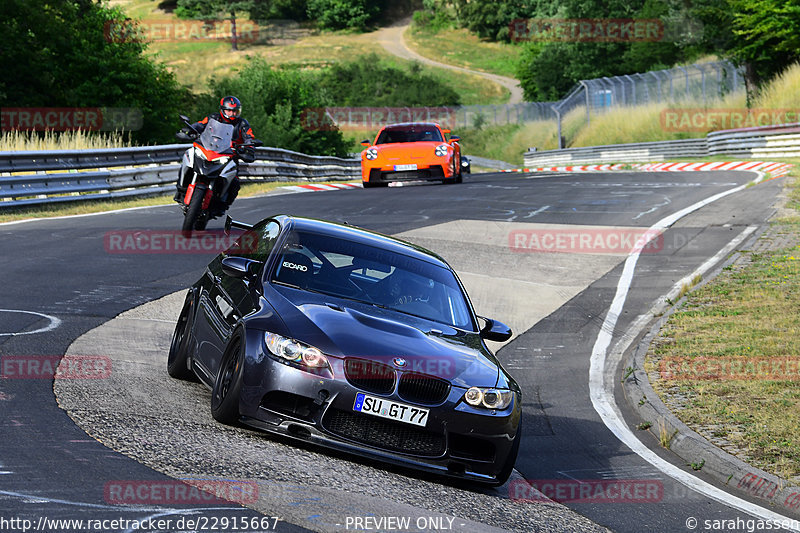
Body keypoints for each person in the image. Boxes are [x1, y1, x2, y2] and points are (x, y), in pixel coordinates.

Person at [174, 96, 256, 210]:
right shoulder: (213, 118)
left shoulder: (242, 124)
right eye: (229, 110)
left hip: (230, 155)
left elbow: (249, 137)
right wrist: (190, 129)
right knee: (188, 160)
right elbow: (200, 125)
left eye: (235, 111)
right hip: (210, 150)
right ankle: (181, 189)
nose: (232, 113)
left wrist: (249, 146)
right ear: (222, 110)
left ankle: (222, 204)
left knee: (235, 181)